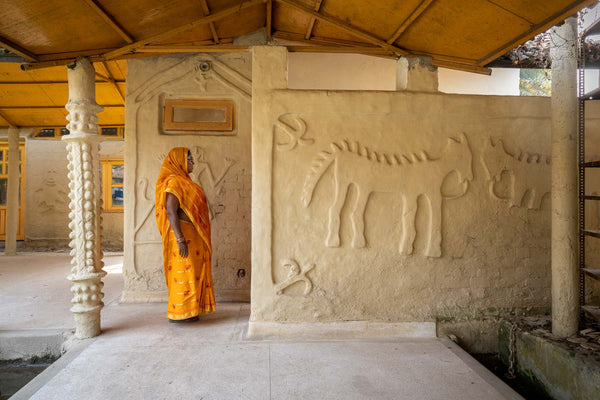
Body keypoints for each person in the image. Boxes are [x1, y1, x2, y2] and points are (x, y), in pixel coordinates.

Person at [155, 147, 215, 322]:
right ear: (179, 161)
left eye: (192, 160)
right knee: (183, 273)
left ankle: (192, 310)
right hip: (182, 236)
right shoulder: (173, 182)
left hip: (194, 236)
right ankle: (180, 312)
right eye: (189, 160)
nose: (192, 163)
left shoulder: (188, 183)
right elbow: (171, 212)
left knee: (194, 273)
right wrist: (180, 239)